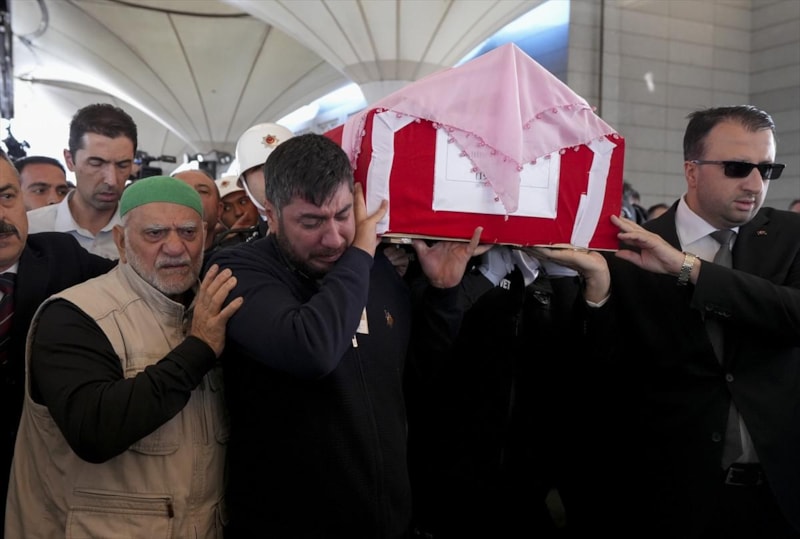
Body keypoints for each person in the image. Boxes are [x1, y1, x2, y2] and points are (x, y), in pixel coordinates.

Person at [533, 105, 799, 537]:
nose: (755, 184)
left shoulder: (791, 236)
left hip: (779, 496)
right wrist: (598, 290)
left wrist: (688, 268)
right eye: (737, 168)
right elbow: (602, 379)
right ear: (691, 171)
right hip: (670, 500)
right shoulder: (629, 250)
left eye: (767, 170)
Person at [211, 133, 486, 538]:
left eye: (343, 215)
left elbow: (409, 375)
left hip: (387, 522)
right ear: (271, 214)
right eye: (311, 222)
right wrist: (359, 255)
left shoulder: (373, 269)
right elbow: (312, 350)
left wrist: (443, 294)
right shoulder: (238, 270)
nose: (334, 238)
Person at [5, 176, 243, 537]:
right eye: (155, 233)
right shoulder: (75, 314)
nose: (175, 247)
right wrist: (199, 348)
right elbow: (96, 430)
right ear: (121, 241)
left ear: (206, 236)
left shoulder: (217, 307)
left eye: (188, 232)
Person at [405, 245, 582, 539]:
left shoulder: (562, 277)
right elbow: (422, 354)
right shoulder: (443, 261)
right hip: (448, 480)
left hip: (530, 482)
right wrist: (483, 280)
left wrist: (564, 281)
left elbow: (582, 367)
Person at [0, 149, 115, 537]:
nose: (1, 215)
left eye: (7, 196)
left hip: (46, 478)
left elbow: (137, 282)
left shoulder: (60, 256)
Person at [26, 103, 137, 259]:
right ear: (70, 160)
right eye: (96, 164)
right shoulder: (29, 229)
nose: (111, 180)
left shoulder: (143, 232)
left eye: (123, 165)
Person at [232, 122, 294, 240]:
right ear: (245, 185)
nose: (274, 174)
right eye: (261, 168)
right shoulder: (239, 249)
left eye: (285, 165)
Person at [172, 169, 221, 253]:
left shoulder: (237, 257)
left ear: (219, 209)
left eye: (202, 191)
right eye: (180, 191)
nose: (191, 197)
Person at [213, 175, 260, 246]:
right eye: (227, 208)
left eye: (243, 202)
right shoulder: (216, 246)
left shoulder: (274, 231)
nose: (238, 212)